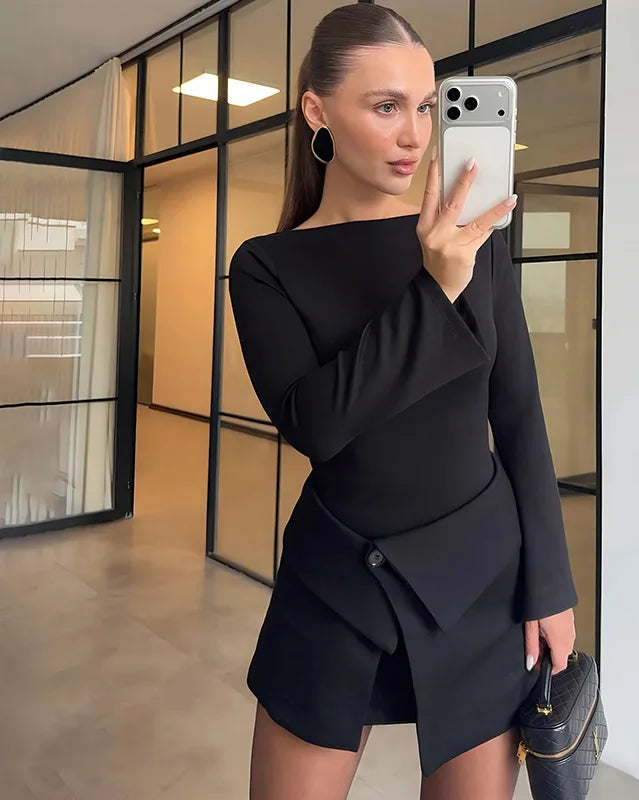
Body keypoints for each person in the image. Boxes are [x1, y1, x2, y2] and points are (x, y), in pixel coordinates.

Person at [228, 4, 578, 798]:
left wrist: (551, 588)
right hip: (335, 584)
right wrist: (436, 287)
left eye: (424, 106)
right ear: (318, 111)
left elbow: (518, 415)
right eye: (386, 107)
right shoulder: (265, 267)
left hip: (480, 580)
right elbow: (318, 424)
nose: (415, 135)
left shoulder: (474, 240)